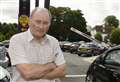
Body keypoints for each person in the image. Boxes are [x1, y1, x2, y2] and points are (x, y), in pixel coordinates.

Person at [8, 7, 66, 82]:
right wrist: (51, 65)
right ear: (29, 21)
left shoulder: (54, 42)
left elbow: (62, 72)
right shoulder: (17, 40)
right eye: (38, 22)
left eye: (45, 23)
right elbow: (27, 73)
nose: (41, 26)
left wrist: (35, 74)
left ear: (49, 24)